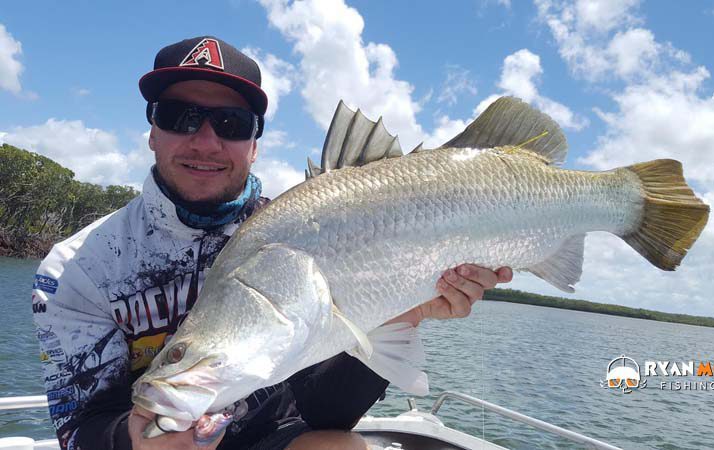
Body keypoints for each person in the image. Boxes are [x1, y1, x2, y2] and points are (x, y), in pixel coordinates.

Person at [32, 36, 513, 450]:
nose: (205, 141)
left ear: (255, 143)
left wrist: (400, 315)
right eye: (180, 116)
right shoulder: (76, 269)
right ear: (152, 131)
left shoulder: (304, 235)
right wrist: (137, 440)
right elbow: (80, 427)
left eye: (231, 125)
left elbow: (326, 412)